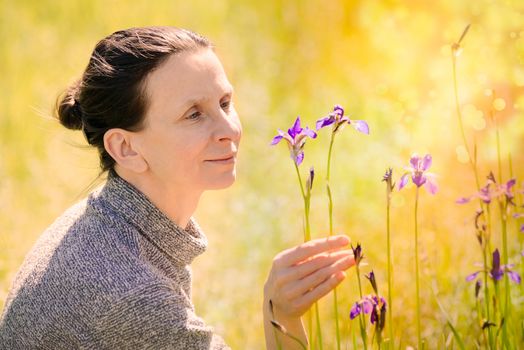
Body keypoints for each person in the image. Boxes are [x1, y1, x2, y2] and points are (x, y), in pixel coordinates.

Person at [0, 26, 354, 349]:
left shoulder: (98, 223)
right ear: (126, 148)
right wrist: (281, 313)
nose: (228, 129)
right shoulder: (133, 293)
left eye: (225, 103)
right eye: (194, 114)